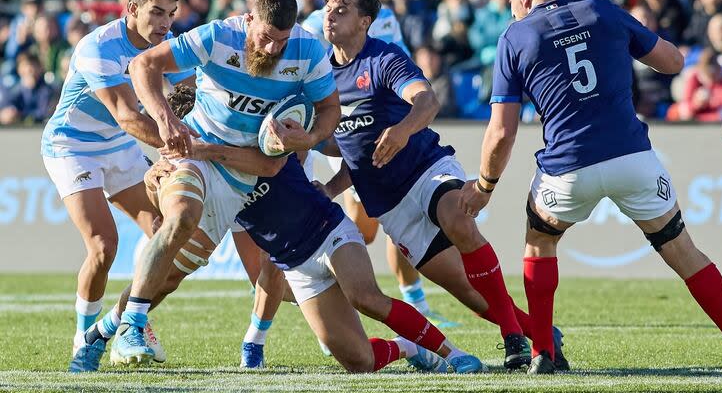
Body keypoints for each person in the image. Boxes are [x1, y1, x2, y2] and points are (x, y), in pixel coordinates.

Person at [459, 0, 722, 376]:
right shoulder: (602, 9)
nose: (511, 14)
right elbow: (674, 63)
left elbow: (501, 131)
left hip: (568, 170)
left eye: (512, 5)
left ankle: (543, 353)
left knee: (539, 241)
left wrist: (485, 185)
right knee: (684, 251)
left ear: (525, 0)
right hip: (633, 159)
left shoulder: (515, 37)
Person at [122, 86, 484, 374]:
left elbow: (280, 162)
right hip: (295, 264)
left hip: (327, 230)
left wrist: (208, 150)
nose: (178, 142)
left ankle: (453, 353)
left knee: (365, 296)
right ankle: (410, 347)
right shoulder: (192, 174)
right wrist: (154, 178)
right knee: (359, 362)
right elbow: (173, 203)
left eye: (183, 135)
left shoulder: (254, 134)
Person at [315, 0, 555, 371]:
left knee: (457, 217)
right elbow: (350, 150)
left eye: (342, 10)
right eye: (329, 8)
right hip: (389, 205)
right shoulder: (321, 76)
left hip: (426, 169)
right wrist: (326, 179)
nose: (331, 16)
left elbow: (427, 101)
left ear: (364, 22)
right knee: (467, 290)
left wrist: (403, 128)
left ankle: (512, 335)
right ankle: (543, 336)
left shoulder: (384, 58)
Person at [111, 0, 341, 366]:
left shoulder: (307, 51)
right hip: (196, 154)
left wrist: (313, 137)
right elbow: (143, 66)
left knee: (172, 278)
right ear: (250, 20)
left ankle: (103, 330)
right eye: (265, 37)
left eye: (281, 41)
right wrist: (167, 120)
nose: (271, 50)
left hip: (245, 173)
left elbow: (329, 107)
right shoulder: (218, 36)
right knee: (182, 215)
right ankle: (133, 326)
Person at [40, 0, 193, 373]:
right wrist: (173, 146)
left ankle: (133, 322)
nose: (164, 23)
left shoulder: (165, 48)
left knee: (163, 232)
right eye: (156, 12)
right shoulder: (99, 46)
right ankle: (85, 336)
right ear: (131, 10)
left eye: (171, 15)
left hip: (117, 145)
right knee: (104, 247)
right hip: (72, 145)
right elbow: (126, 115)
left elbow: (192, 90)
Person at [301, 0, 456, 328]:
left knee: (398, 216)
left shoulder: (384, 21)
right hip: (344, 132)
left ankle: (413, 298)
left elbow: (393, 65)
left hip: (382, 120)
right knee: (364, 228)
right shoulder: (313, 28)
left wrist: (400, 115)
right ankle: (349, 296)